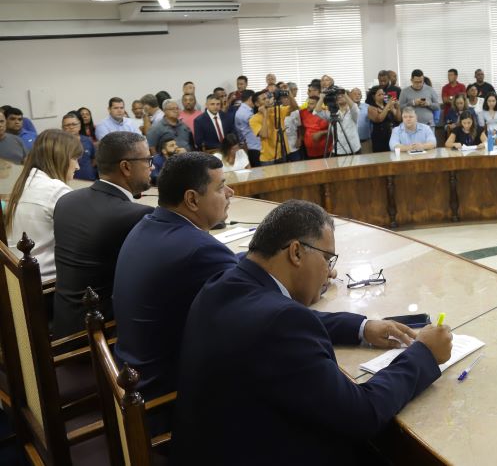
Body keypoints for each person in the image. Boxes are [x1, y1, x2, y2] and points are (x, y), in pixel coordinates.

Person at [172, 200, 452, 465]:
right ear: (296, 252)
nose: (328, 273)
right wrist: (423, 353)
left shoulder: (224, 282)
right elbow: (362, 415)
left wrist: (362, 327)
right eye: (327, 259)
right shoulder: (282, 322)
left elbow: (282, 321)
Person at [113, 152, 235, 399]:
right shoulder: (201, 251)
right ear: (191, 199)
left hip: (134, 379)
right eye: (221, 187)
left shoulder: (148, 224)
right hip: (168, 398)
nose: (230, 192)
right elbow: (264, 312)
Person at [52, 132, 153, 337]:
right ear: (126, 167)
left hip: (64, 322)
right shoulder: (133, 215)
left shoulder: (67, 201)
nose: (152, 166)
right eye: (147, 160)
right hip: (97, 333)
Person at [5, 129, 81, 282]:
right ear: (61, 157)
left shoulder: (26, 182)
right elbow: (83, 239)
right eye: (75, 158)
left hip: (22, 277)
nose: (77, 166)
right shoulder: (56, 190)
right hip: (48, 283)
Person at [250, 90, 299, 164]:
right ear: (257, 104)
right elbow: (264, 135)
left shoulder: (277, 110)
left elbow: (295, 107)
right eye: (264, 99)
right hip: (268, 159)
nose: (267, 100)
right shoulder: (253, 119)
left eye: (267, 98)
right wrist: (265, 114)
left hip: (283, 154)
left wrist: (289, 93)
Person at [314, 90, 360, 157]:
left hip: (353, 148)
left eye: (342, 96)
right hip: (338, 149)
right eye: (338, 96)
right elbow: (317, 112)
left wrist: (344, 93)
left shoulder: (353, 112)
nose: (340, 97)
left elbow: (354, 108)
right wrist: (321, 98)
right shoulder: (333, 112)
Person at [61, 112, 96, 180]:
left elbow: (94, 159)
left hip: (90, 180)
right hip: (70, 181)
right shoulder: (59, 144)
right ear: (62, 127)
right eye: (67, 125)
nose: (71, 127)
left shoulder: (87, 140)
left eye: (74, 124)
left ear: (80, 126)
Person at [366, 86, 400, 154]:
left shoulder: (388, 104)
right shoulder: (371, 107)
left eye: (383, 94)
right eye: (379, 94)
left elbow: (398, 118)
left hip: (391, 134)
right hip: (379, 137)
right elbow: (379, 119)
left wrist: (398, 107)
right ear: (373, 97)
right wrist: (388, 105)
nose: (382, 96)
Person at [234, 90, 260, 168]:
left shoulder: (246, 110)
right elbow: (258, 126)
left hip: (253, 145)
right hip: (254, 147)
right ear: (251, 98)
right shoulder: (244, 112)